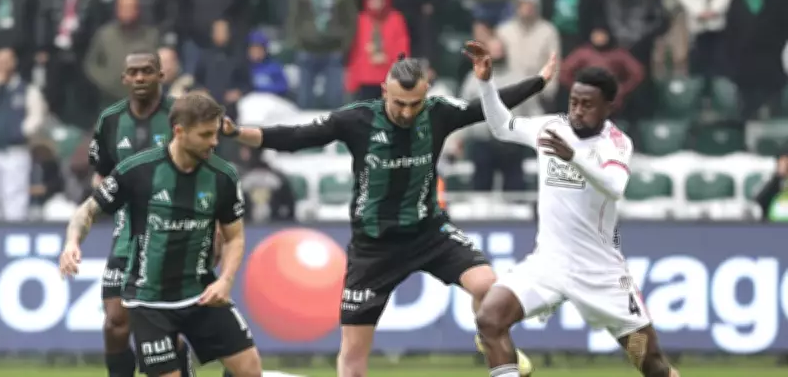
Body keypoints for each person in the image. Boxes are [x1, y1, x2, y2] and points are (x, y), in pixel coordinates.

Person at [221, 43, 559, 377]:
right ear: (384, 91)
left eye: (415, 104)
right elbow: (298, 136)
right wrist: (239, 133)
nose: (408, 113)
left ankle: (488, 340)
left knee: (488, 286)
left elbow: (482, 108)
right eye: (400, 103)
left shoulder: (438, 112)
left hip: (429, 233)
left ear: (426, 92)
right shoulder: (358, 119)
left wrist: (538, 82)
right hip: (374, 247)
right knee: (353, 359)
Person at [472, 59, 681, 377]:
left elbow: (615, 186)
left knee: (652, 365)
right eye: (574, 102)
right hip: (548, 266)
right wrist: (486, 84)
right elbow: (502, 127)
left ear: (608, 107)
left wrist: (574, 157)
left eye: (587, 104)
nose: (578, 110)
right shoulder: (550, 128)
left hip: (600, 274)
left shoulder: (616, 142)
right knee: (489, 320)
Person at [60, 92, 262, 377]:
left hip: (202, 295)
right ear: (179, 131)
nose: (214, 142)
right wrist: (72, 243)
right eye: (205, 135)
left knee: (251, 371)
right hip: (149, 302)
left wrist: (225, 281)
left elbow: (234, 237)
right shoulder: (137, 170)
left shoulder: (223, 176)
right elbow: (87, 211)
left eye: (216, 133)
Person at [84, 51, 194, 377]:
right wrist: (101, 200)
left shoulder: (181, 114)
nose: (140, 78)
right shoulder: (110, 120)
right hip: (127, 233)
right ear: (124, 78)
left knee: (163, 331)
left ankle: (180, 362)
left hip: (173, 233)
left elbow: (204, 169)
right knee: (115, 323)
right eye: (133, 72)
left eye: (147, 71)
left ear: (161, 75)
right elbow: (100, 174)